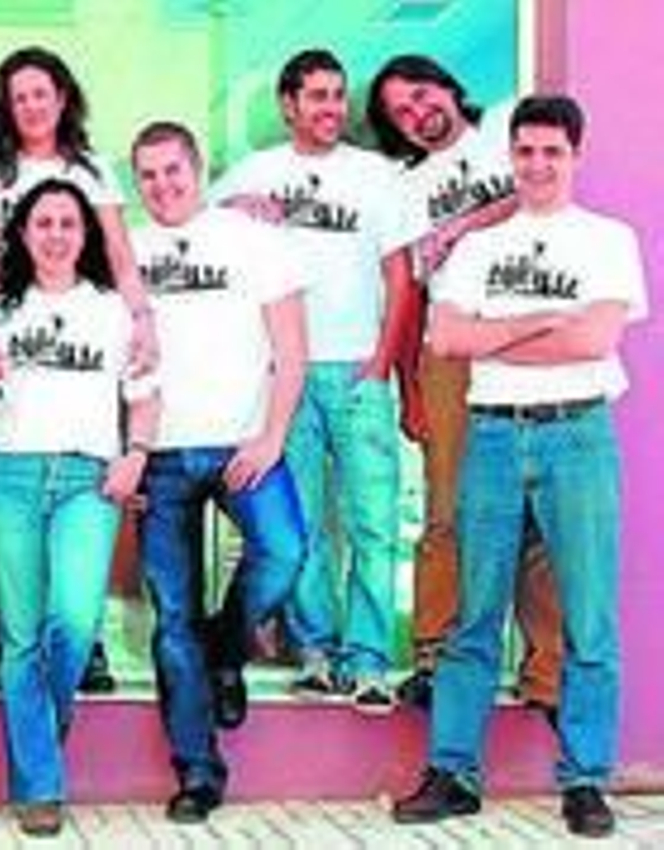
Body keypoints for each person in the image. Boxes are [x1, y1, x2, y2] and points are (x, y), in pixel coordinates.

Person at [392, 94, 647, 839]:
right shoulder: (478, 249)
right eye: (526, 151)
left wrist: (496, 332)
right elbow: (447, 338)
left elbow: (593, 340)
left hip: (577, 435)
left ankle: (585, 780)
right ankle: (453, 773)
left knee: (588, 616)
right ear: (510, 156)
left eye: (552, 152)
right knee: (474, 614)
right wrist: (544, 319)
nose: (537, 165)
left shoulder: (607, 240)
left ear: (575, 155)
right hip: (494, 438)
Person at [212, 47, 424, 712]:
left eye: (337, 95)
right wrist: (237, 205)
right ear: (288, 105)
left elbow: (401, 277)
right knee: (301, 525)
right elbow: (198, 232)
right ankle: (317, 653)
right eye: (317, 96)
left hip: (358, 368)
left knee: (373, 523)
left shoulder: (376, 176)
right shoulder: (256, 171)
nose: (331, 108)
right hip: (288, 376)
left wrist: (383, 360)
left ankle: (369, 660)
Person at [0, 178, 155, 836]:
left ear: (86, 233)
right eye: (43, 223)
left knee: (73, 618)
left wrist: (137, 453)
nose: (56, 234)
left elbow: (144, 393)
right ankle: (40, 784)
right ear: (23, 233)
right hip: (10, 474)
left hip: (86, 479)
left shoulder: (113, 310)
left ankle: (41, 726)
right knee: (19, 636)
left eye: (69, 222)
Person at [366, 54, 562, 713]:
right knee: (446, 508)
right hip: (448, 352)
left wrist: (460, 224)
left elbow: (536, 193)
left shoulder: (507, 134)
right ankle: (433, 656)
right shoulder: (403, 187)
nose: (418, 114)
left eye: (422, 95)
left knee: (536, 512)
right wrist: (410, 387)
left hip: (526, 339)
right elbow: (411, 294)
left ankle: (547, 675)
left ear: (449, 88)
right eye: (401, 112)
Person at [130, 121, 308, 822]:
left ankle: (225, 647)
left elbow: (291, 349)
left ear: (198, 168)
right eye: (147, 175)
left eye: (172, 170)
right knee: (171, 620)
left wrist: (272, 437)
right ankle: (198, 772)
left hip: (243, 444)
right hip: (161, 458)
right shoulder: (126, 253)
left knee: (284, 551)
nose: (162, 185)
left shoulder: (251, 240)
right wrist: (128, 453)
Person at [0, 45, 153, 693]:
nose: (31, 106)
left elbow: (119, 256)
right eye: (18, 97)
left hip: (83, 345)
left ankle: (84, 644)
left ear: (62, 98)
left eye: (40, 93)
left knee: (86, 496)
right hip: (13, 349)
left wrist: (142, 320)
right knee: (8, 499)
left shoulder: (90, 169)